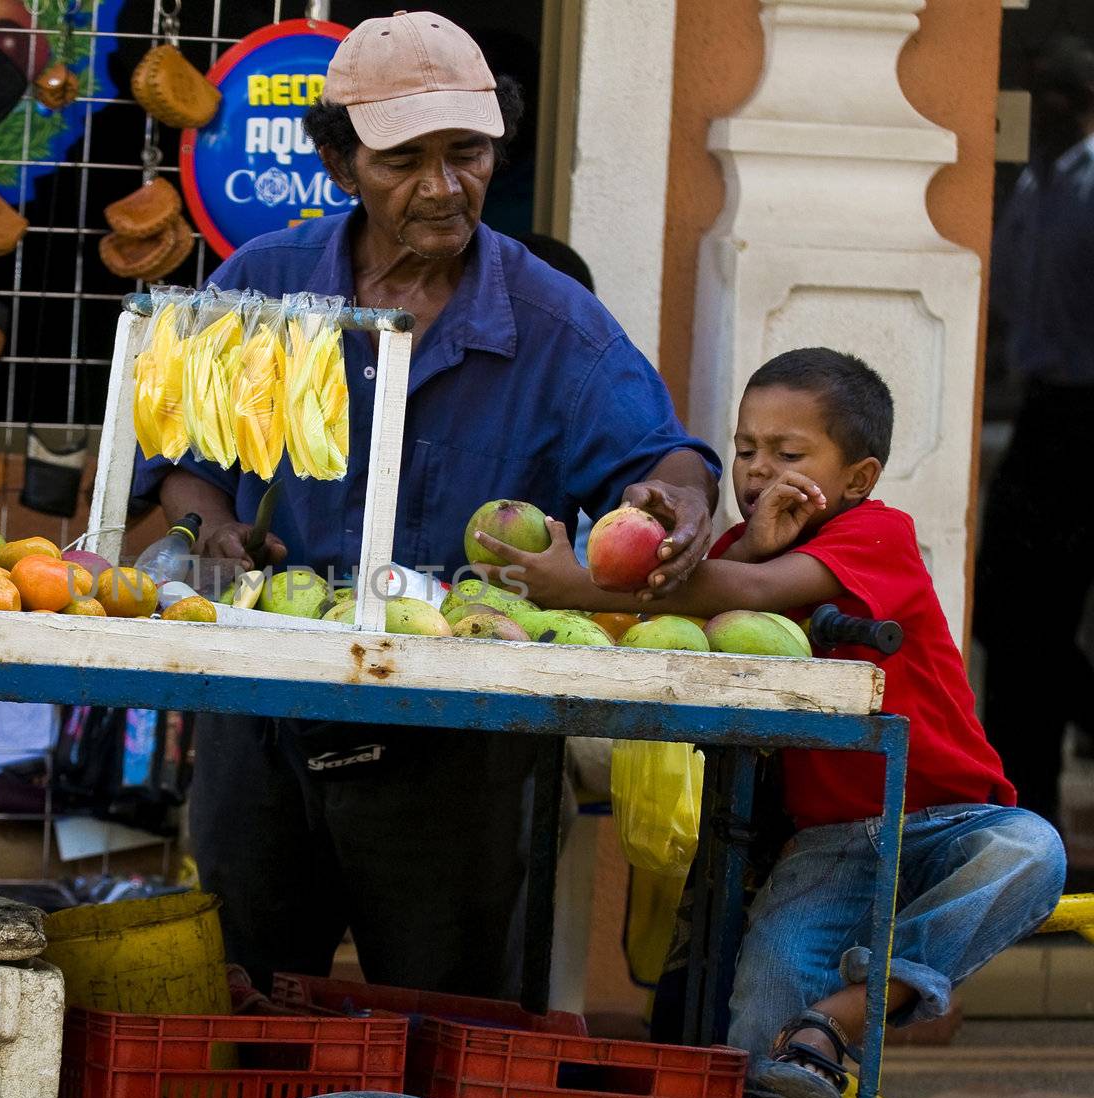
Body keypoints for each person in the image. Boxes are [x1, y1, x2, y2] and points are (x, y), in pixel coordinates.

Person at [130, 10, 720, 999]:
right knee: (241, 1002)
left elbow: (662, 458)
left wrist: (675, 503)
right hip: (261, 718)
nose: (444, 186)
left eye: (468, 153)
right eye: (405, 159)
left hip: (458, 749)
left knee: (446, 1017)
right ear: (339, 162)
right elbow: (184, 459)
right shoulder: (260, 285)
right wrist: (212, 527)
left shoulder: (550, 323)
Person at [471, 348, 1066, 1098]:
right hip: (826, 844)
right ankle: (793, 1072)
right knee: (756, 1030)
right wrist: (743, 544)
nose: (757, 470)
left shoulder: (877, 534)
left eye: (789, 453)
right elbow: (711, 592)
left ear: (858, 478)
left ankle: (840, 1018)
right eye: (746, 449)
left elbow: (748, 592)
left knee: (1031, 851)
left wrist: (577, 581)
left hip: (949, 824)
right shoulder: (736, 553)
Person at [974, 35, 1094, 835]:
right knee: (1008, 617)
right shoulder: (1034, 187)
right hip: (1046, 412)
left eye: (1062, 93)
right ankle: (1028, 818)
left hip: (1089, 414)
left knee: (1038, 623)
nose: (1046, 107)